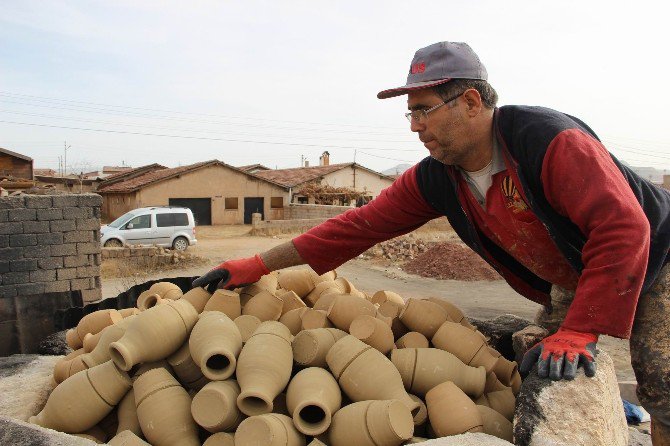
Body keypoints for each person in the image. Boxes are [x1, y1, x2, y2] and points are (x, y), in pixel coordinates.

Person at [193, 42, 670, 443]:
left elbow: (624, 229)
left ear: (469, 102)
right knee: (540, 364)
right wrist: (257, 264)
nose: (415, 125)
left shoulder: (548, 142)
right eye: (410, 114)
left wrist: (583, 328)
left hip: (658, 255)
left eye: (423, 110)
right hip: (578, 270)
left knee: (662, 382)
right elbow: (357, 227)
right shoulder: (439, 178)